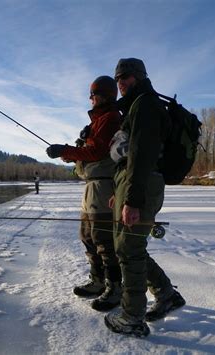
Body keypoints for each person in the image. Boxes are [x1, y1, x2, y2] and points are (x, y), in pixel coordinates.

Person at [104, 58, 185, 337]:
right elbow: (129, 160)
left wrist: (133, 199)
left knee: (128, 250)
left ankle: (132, 317)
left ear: (138, 76)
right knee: (131, 247)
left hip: (143, 185)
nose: (120, 82)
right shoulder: (138, 105)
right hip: (134, 184)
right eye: (117, 79)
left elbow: (142, 155)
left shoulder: (146, 105)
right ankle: (166, 294)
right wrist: (121, 193)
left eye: (125, 76)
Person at [46, 76, 122, 311]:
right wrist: (73, 154)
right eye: (90, 95)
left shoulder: (110, 118)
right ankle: (97, 281)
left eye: (94, 95)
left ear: (106, 96)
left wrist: (66, 149)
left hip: (104, 187)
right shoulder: (98, 121)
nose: (91, 99)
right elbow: (90, 151)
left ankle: (114, 288)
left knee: (103, 240)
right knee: (87, 236)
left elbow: (98, 151)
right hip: (91, 186)